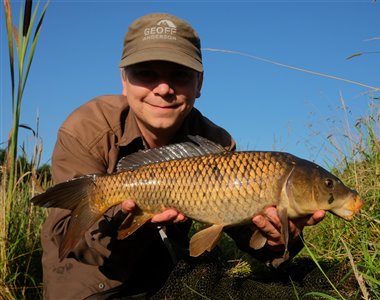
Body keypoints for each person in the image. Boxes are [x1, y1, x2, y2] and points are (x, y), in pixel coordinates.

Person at [40, 12, 325, 299]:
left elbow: (244, 231)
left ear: (199, 83)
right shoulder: (87, 128)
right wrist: (128, 215)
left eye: (180, 75)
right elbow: (70, 242)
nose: (164, 89)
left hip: (164, 272)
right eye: (146, 74)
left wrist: (277, 239)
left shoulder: (215, 142)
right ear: (124, 80)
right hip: (92, 282)